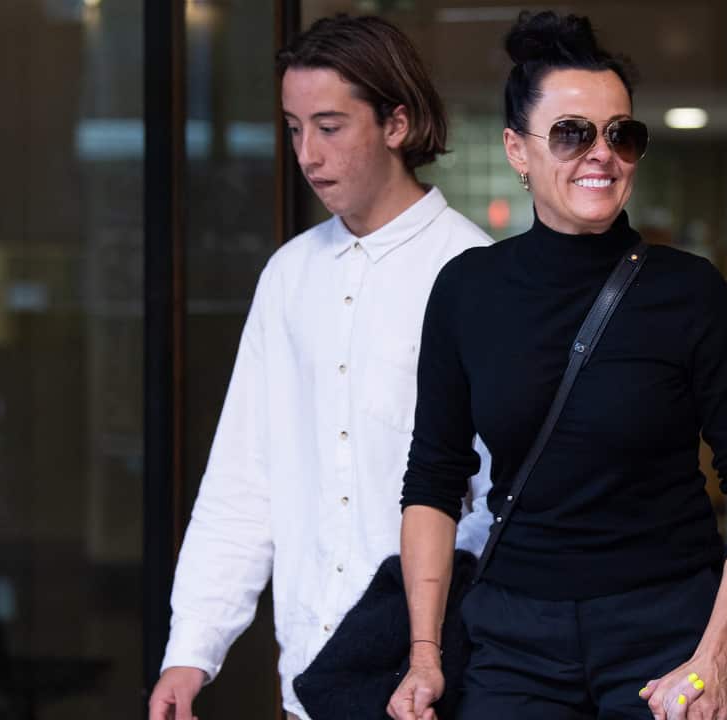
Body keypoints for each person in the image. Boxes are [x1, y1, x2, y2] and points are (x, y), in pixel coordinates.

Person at [388, 10, 727, 720]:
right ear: (518, 149)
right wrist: (424, 654)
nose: (602, 154)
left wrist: (718, 658)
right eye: (572, 133)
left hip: (666, 636)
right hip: (515, 642)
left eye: (621, 134)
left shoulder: (689, 291)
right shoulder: (467, 290)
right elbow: (433, 479)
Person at [147, 15, 494, 720]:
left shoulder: (473, 272)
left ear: (397, 123)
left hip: (430, 682)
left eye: (330, 127)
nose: (307, 154)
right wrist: (192, 649)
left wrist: (433, 641)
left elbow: (500, 499)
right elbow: (244, 477)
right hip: (307, 677)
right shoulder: (289, 275)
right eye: (294, 128)